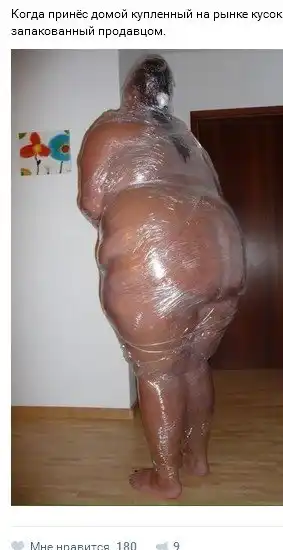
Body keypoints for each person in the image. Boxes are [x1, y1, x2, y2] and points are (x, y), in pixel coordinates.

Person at [77, 55, 245, 499]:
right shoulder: (187, 139)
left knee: (157, 371)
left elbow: (91, 202)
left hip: (160, 258)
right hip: (224, 253)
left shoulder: (111, 128)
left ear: (131, 90)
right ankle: (198, 459)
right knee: (194, 363)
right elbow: (211, 190)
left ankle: (166, 478)